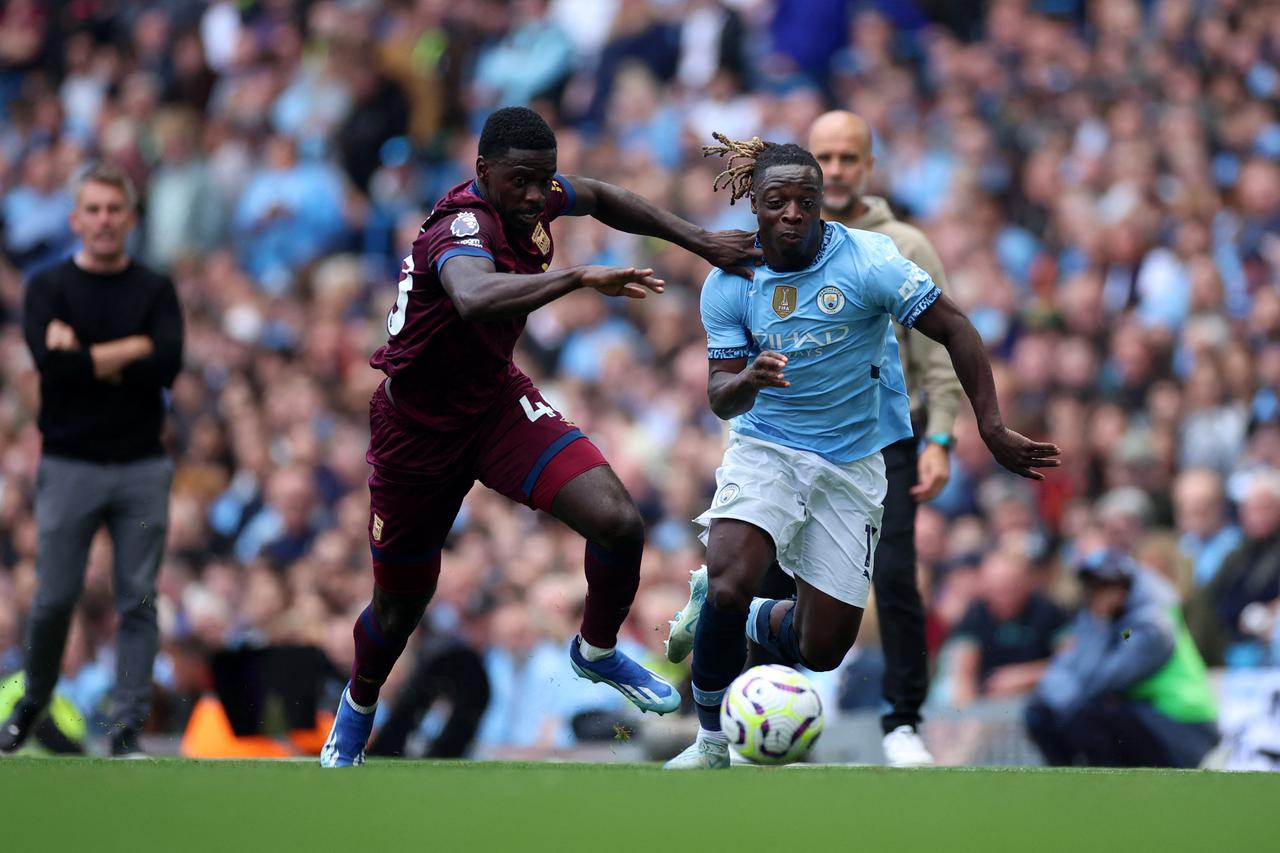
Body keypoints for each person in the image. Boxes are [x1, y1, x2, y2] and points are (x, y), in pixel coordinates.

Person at [320, 106, 758, 767]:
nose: (535, 196)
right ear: (484, 172)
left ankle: (597, 648)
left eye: (543, 182)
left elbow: (605, 196)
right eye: (521, 181)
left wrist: (699, 240)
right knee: (400, 605)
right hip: (416, 432)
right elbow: (473, 295)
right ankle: (358, 703)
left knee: (617, 519)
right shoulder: (462, 227)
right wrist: (579, 278)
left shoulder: (537, 194)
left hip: (494, 405)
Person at [663, 136, 1058, 769]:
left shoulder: (870, 260)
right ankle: (710, 739)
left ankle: (732, 610)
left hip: (852, 462)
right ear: (755, 206)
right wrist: (749, 381)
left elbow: (954, 326)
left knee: (821, 649)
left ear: (822, 204)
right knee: (732, 581)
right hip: (766, 449)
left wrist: (990, 426)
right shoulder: (731, 280)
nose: (792, 212)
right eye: (777, 201)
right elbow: (719, 396)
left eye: (805, 200)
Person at [686, 110, 962, 765]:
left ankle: (902, 724)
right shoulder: (744, 264)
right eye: (826, 157)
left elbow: (941, 347)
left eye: (848, 159)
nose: (835, 170)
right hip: (777, 438)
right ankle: (727, 728)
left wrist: (942, 435)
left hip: (879, 437)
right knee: (741, 575)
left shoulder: (895, 246)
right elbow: (721, 381)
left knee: (884, 587)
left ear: (866, 167)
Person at [0, 164, 183, 758]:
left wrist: (86, 354)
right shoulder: (48, 287)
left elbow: (166, 366)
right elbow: (53, 371)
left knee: (139, 597)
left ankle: (126, 725)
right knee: (54, 597)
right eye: (94, 209)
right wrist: (131, 348)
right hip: (69, 462)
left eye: (114, 209)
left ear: (130, 219)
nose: (104, 220)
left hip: (140, 465)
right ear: (76, 219)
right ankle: (36, 700)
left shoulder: (154, 288)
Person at [1025, 551, 1218, 768]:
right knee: (1040, 713)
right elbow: (1065, 666)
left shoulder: (1149, 626)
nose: (1099, 594)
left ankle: (1107, 794)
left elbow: (1102, 680)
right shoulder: (1102, 619)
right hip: (1147, 716)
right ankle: (1068, 791)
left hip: (1181, 726)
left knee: (1087, 715)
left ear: (1127, 586)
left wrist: (1099, 626)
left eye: (1108, 585)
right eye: (1094, 586)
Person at [948, 549, 1071, 707]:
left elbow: (1069, 662)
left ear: (1026, 582)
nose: (1003, 596)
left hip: (1039, 699)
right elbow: (964, 675)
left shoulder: (1049, 612)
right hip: (987, 703)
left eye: (1010, 587)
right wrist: (968, 715)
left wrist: (1023, 676)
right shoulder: (974, 616)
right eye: (997, 588)